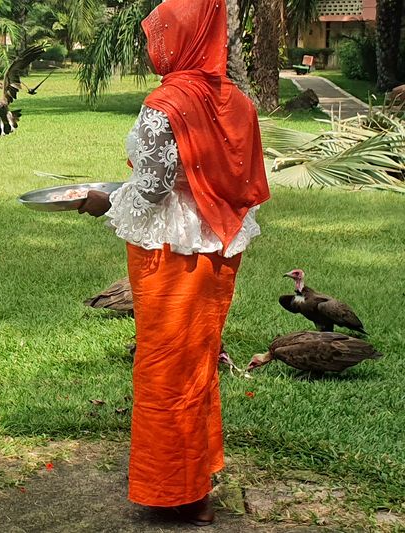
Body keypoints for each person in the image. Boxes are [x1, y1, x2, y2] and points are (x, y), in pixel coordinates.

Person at [77, 0, 270, 525]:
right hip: (218, 244)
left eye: (159, 34)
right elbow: (231, 180)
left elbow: (157, 186)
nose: (151, 45)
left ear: (185, 36)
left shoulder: (167, 104)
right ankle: (196, 479)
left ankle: (174, 493)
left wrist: (102, 201)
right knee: (198, 362)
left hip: (169, 247)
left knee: (164, 366)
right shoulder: (236, 102)